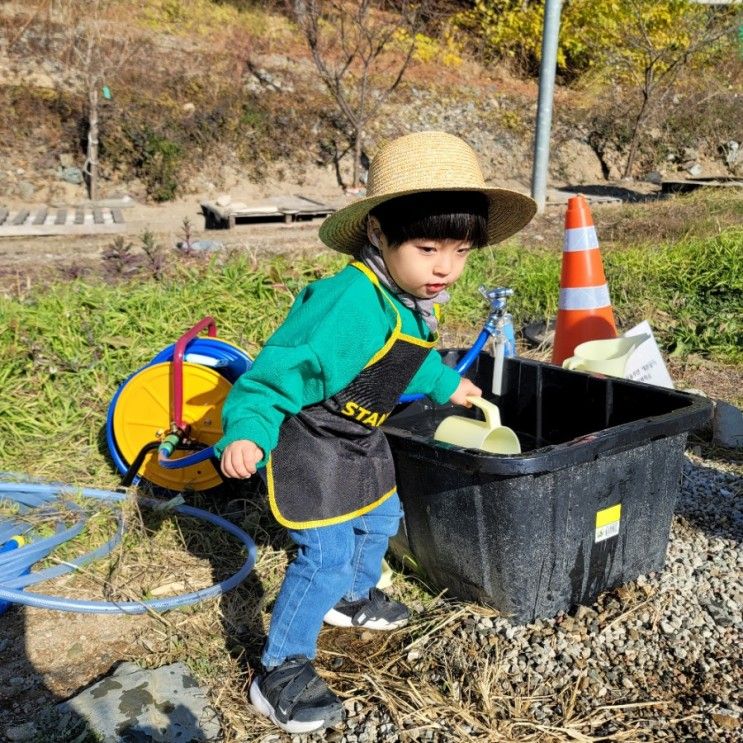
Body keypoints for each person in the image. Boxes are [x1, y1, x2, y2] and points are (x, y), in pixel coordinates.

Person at [214, 130, 536, 734]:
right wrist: (248, 431)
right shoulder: (348, 305)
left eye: (462, 252)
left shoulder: (409, 293)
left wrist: (447, 385)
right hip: (314, 439)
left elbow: (408, 355)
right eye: (428, 247)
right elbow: (272, 376)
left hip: (361, 439)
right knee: (327, 552)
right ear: (377, 234)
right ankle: (279, 667)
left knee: (381, 520)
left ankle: (351, 599)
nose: (445, 268)